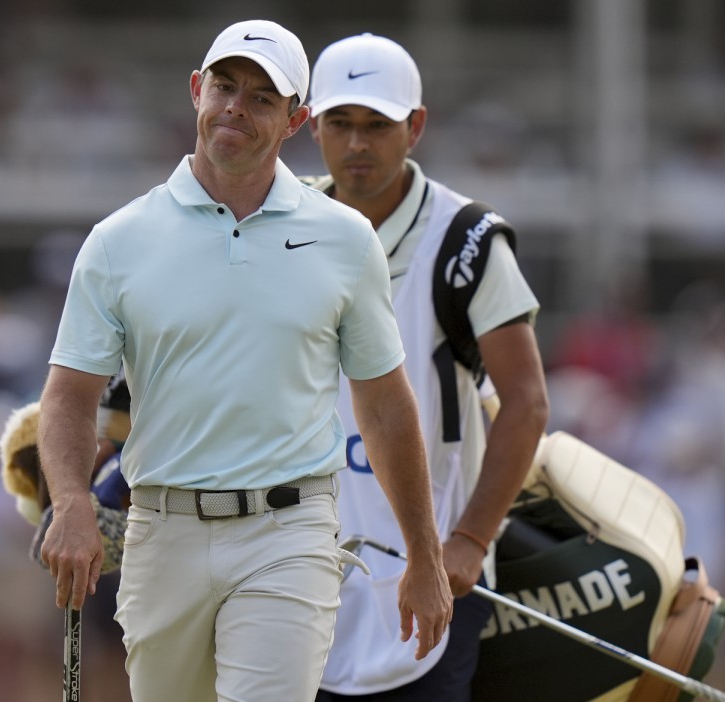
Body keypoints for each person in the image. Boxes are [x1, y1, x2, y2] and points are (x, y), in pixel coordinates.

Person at [35, 20, 453, 702]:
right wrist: (72, 503)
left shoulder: (344, 240)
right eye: (225, 86)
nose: (236, 105)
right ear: (196, 91)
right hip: (161, 533)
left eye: (262, 98)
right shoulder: (119, 241)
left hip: (288, 534)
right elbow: (69, 396)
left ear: (294, 120)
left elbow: (383, 405)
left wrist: (424, 555)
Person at [303, 34, 549, 701]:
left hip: (431, 572)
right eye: (340, 123)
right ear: (310, 124)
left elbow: (526, 403)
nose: (357, 144)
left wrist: (469, 541)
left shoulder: (465, 240)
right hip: (298, 572)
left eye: (377, 125)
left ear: (414, 127)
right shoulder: (280, 221)